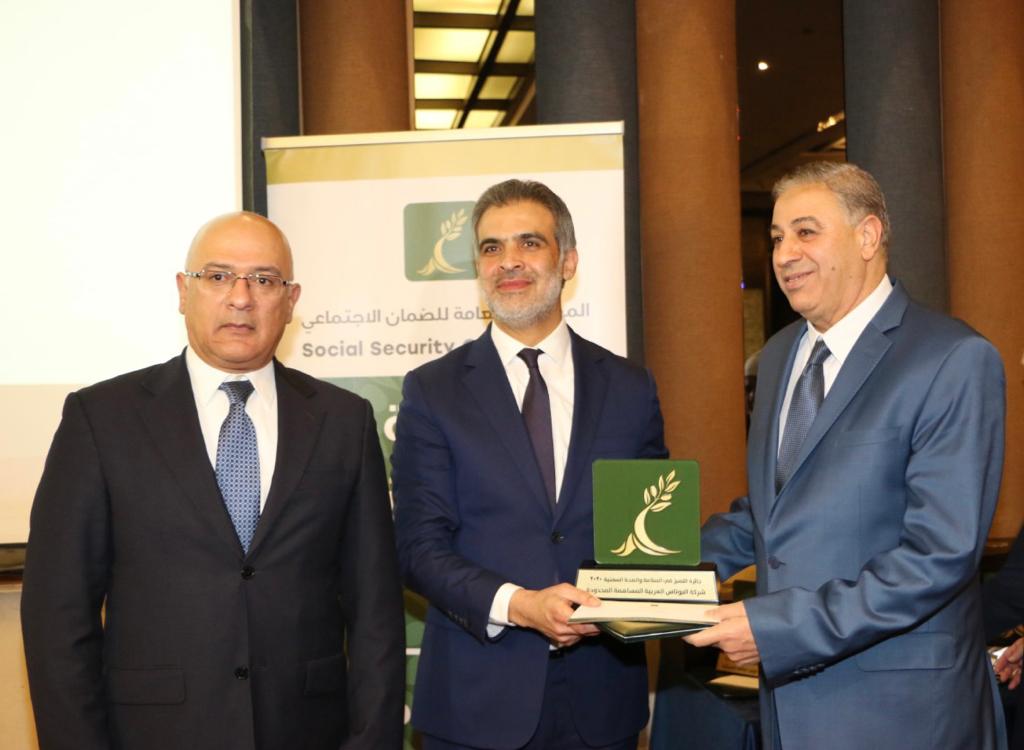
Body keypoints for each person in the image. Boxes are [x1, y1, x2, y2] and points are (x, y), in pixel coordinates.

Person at [21, 212, 405, 750]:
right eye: (218, 276)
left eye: (264, 280)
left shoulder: (343, 421)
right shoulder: (102, 418)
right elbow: (57, 616)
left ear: (291, 301)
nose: (241, 298)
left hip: (306, 731)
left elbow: (375, 611)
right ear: (184, 291)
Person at [686, 162, 1007, 749]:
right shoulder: (778, 356)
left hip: (903, 715)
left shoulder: (952, 358)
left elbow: (939, 555)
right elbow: (773, 512)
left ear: (868, 236)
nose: (785, 254)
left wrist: (777, 629)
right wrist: (655, 575)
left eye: (806, 232)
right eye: (777, 237)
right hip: (790, 707)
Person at [391, 179, 667, 750]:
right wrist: (519, 605)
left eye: (529, 243)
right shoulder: (433, 391)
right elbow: (417, 547)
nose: (509, 261)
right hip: (475, 703)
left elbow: (649, 536)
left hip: (603, 700)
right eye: (491, 248)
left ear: (567, 261)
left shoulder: (630, 387)